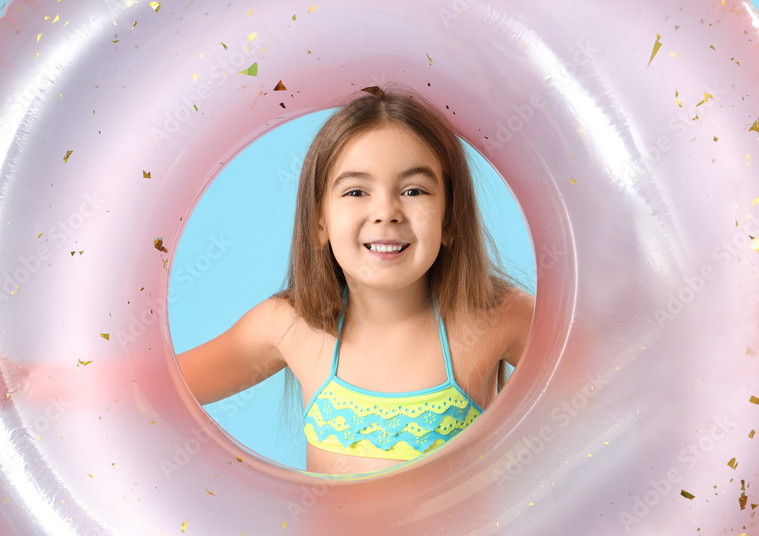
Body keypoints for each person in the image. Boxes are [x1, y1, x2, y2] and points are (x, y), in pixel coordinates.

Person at [176, 85, 533, 474]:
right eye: (357, 191)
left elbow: (601, 384)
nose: (386, 212)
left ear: (449, 220)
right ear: (319, 223)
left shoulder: (497, 316)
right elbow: (157, 389)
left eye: (414, 190)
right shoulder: (292, 325)